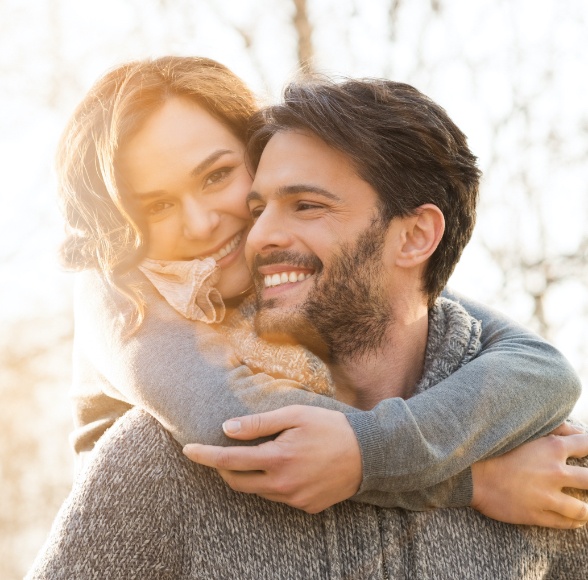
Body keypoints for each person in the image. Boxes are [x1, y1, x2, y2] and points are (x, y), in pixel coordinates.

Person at [28, 76, 588, 579]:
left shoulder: (549, 462)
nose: (203, 223)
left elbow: (536, 363)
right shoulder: (125, 304)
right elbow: (252, 437)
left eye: (219, 176)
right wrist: (474, 483)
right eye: (154, 206)